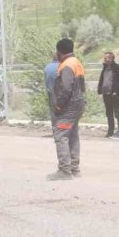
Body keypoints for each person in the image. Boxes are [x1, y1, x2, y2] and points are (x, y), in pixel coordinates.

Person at [49, 38, 86, 180]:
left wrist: (58, 105)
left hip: (68, 106)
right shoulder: (76, 62)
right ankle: (74, 168)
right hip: (78, 104)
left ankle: (64, 171)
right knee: (73, 135)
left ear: (59, 51)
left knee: (61, 136)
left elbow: (65, 88)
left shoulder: (66, 65)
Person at [97, 52, 119, 138]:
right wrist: (100, 89)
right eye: (105, 58)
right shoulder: (104, 68)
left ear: (112, 58)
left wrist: (116, 91)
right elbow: (102, 79)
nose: (105, 59)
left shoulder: (117, 68)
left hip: (114, 94)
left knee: (118, 113)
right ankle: (110, 131)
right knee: (109, 113)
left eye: (107, 58)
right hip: (106, 94)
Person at [44, 52, 60, 123]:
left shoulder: (47, 67)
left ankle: (54, 128)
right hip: (60, 93)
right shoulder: (61, 66)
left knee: (53, 111)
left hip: (50, 93)